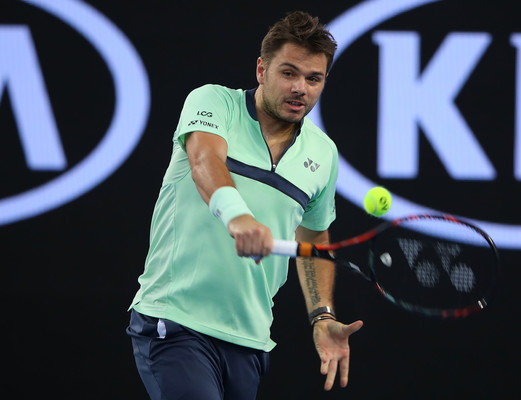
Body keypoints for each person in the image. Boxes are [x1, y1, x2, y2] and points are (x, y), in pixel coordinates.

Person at [126, 11, 363, 400]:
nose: (300, 88)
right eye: (288, 73)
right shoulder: (213, 102)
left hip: (250, 340)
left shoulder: (324, 153)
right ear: (261, 70)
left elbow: (313, 239)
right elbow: (205, 160)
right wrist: (237, 218)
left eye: (313, 78)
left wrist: (322, 315)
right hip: (175, 322)